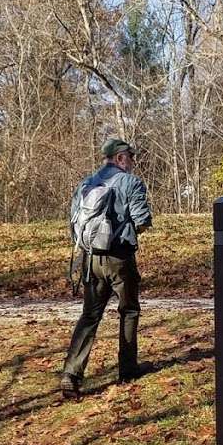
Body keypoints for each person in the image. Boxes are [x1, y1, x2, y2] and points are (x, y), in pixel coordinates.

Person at [60, 138, 153, 397]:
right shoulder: (131, 182)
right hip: (120, 258)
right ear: (121, 158)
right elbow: (142, 220)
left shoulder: (85, 184)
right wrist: (127, 235)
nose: (133, 163)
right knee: (129, 310)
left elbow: (73, 224)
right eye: (131, 158)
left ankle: (71, 373)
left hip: (90, 259)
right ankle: (128, 369)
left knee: (90, 316)